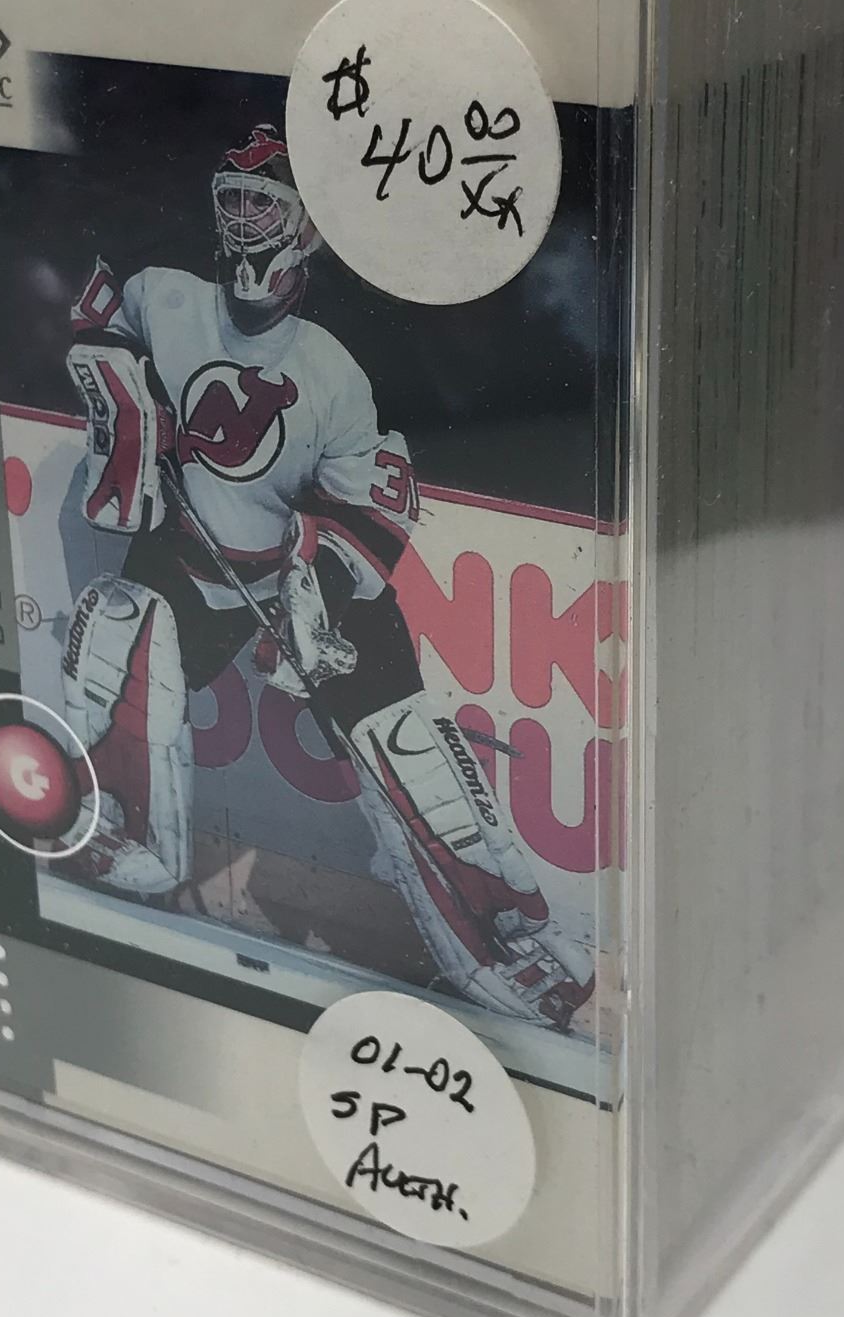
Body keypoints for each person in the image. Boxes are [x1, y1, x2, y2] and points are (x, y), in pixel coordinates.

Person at [58, 125, 593, 1031]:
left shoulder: (336, 366)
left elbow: (373, 508)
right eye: (231, 199)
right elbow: (98, 309)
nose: (243, 220)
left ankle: (502, 927)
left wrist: (316, 602)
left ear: (304, 225)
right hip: (188, 566)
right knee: (119, 622)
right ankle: (116, 827)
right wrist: (116, 382)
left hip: (294, 579)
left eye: (263, 204)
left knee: (404, 738)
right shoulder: (167, 295)